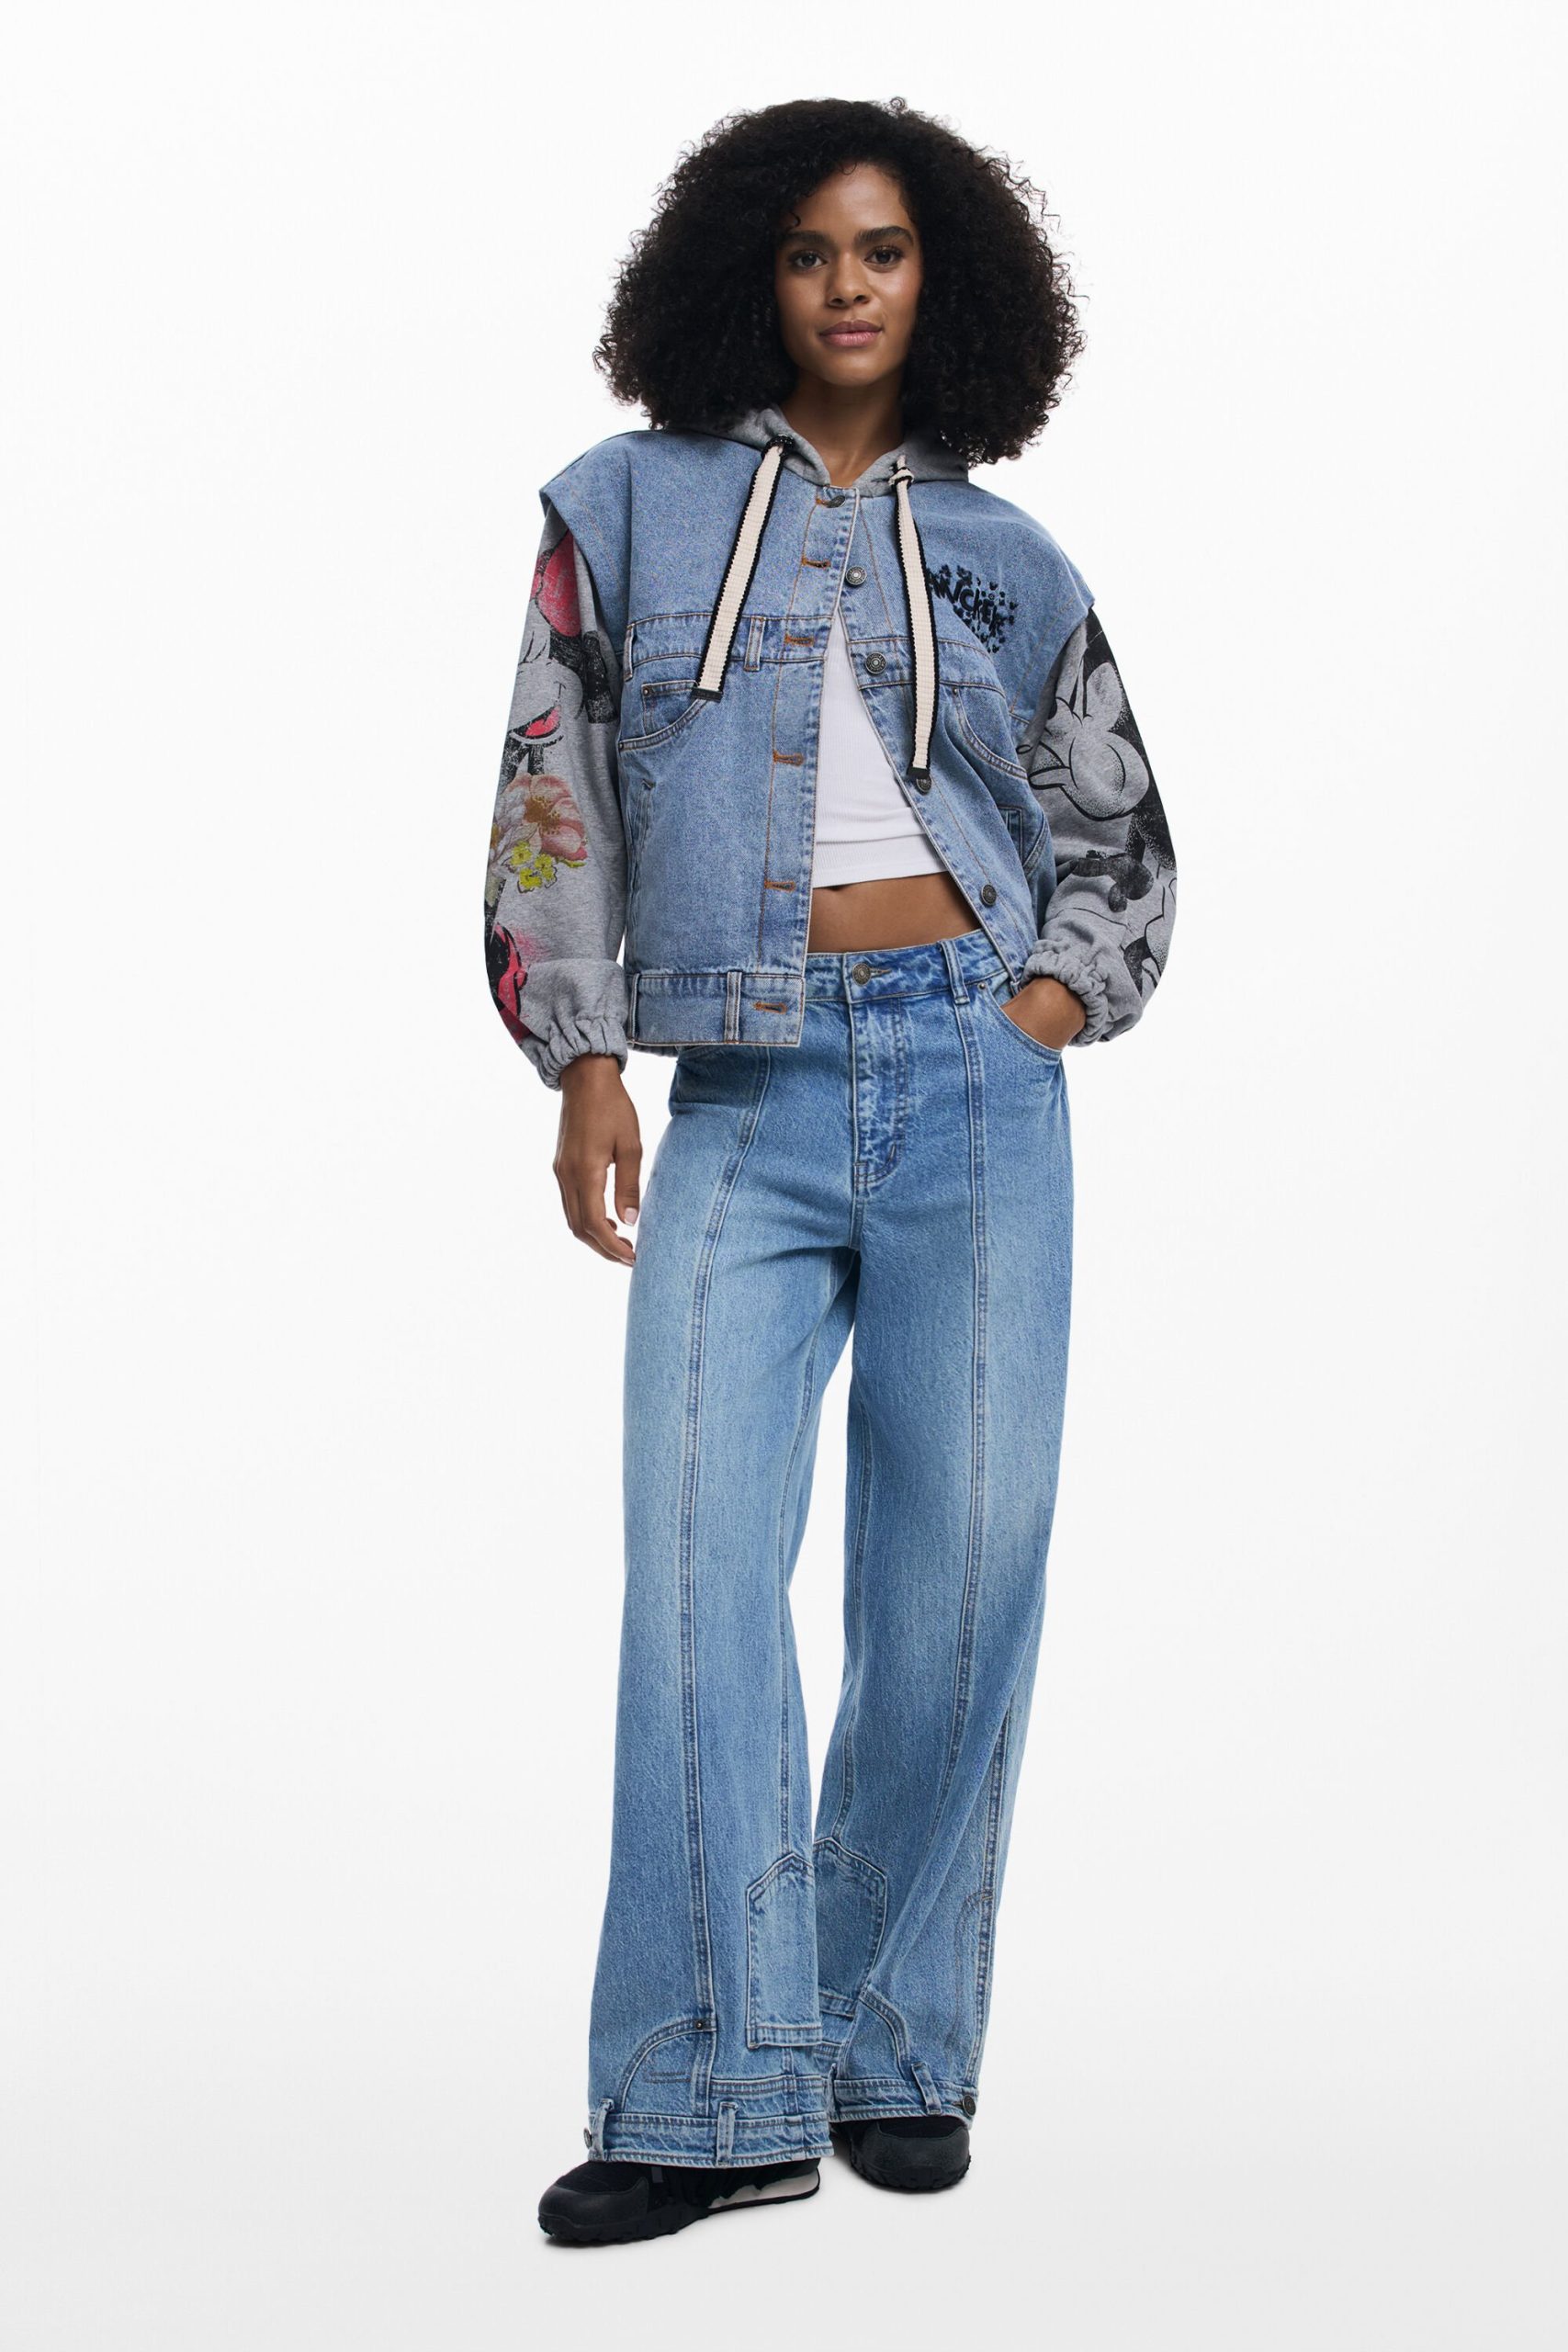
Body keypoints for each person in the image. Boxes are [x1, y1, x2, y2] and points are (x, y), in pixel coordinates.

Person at [484, 96, 1177, 2247]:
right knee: (700, 1572)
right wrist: (579, 1057)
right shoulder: (622, 505)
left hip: (976, 1082)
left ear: (938, 278)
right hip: (739, 1093)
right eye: (805, 251)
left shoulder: (1009, 556)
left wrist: (1040, 1006)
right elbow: (547, 781)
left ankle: (885, 2039)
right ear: (744, 277)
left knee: (958, 1574)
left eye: (880, 249)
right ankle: (709, 2084)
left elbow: (1116, 833)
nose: (847, 284)